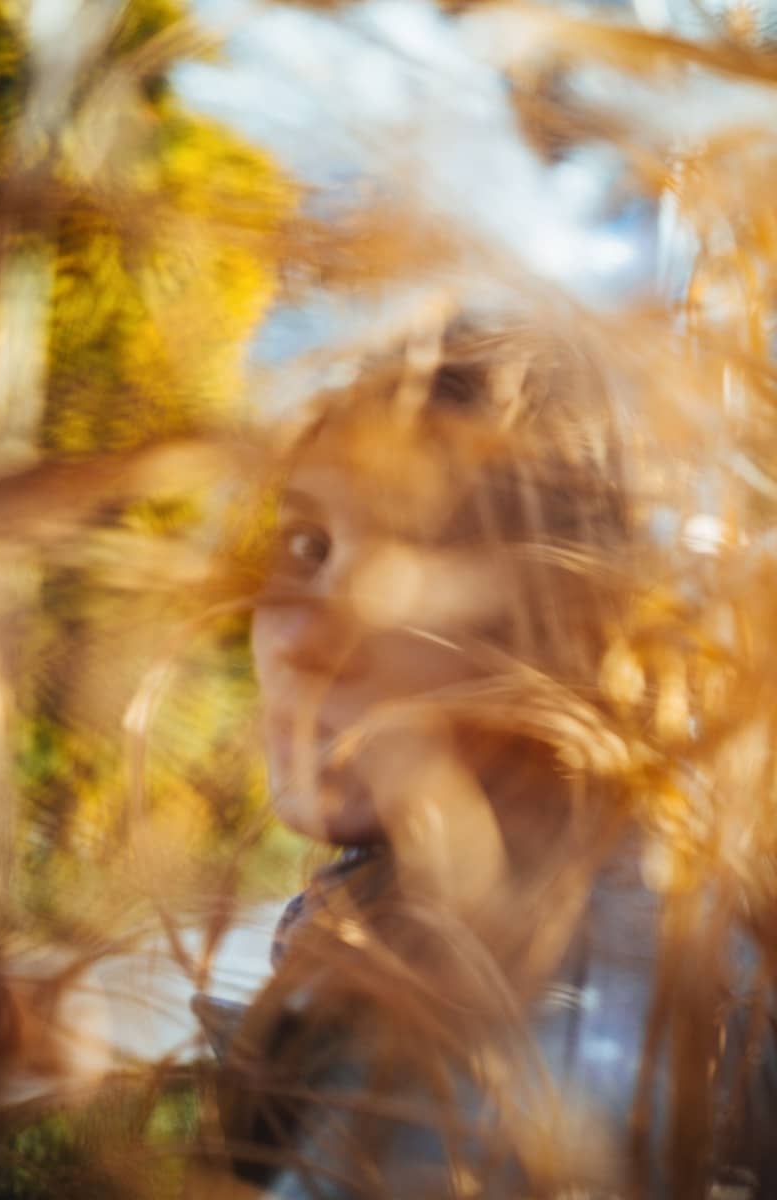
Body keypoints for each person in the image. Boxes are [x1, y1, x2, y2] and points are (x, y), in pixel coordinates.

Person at [196, 314, 777, 1199]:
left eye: (418, 571)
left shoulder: (546, 1021)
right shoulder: (438, 924)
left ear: (575, 633)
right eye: (306, 546)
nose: (304, 640)